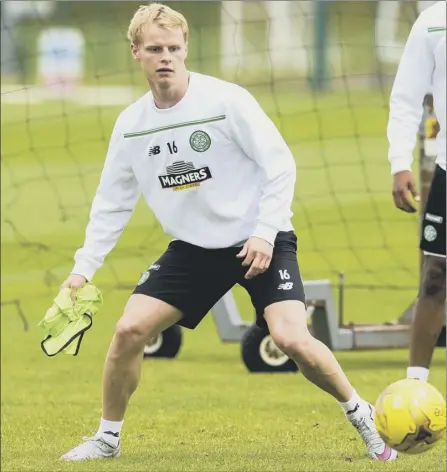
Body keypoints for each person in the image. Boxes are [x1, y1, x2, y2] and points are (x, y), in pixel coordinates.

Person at [60, 3, 397, 462]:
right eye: (155, 48)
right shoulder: (131, 126)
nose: (166, 57)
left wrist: (263, 232)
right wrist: (83, 270)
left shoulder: (226, 101)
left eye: (174, 48)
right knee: (128, 329)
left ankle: (362, 415)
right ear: (136, 52)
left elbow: (280, 165)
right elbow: (111, 203)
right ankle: (107, 439)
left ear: (186, 49)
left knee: (292, 339)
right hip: (194, 250)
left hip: (261, 239)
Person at [387, 1, 446, 383]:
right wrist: (399, 162)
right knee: (436, 276)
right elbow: (406, 98)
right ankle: (414, 388)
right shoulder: (433, 21)